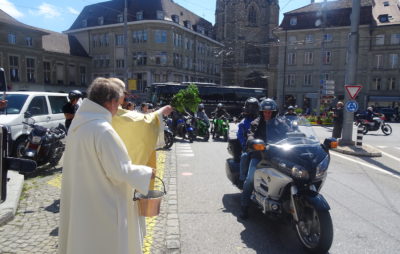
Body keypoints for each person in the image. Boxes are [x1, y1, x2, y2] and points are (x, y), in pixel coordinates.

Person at [58, 77, 156, 254]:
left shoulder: (78, 125)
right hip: (103, 206)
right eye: (118, 104)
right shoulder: (103, 130)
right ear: (111, 102)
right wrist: (148, 172)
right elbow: (120, 171)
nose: (118, 110)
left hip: (84, 200)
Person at [240, 98, 289, 220]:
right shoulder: (256, 123)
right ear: (261, 112)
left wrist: (301, 137)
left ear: (274, 112)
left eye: (270, 112)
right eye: (265, 112)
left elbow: (290, 132)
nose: (267, 114)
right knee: (250, 179)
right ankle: (244, 207)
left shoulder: (281, 123)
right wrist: (252, 140)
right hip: (260, 156)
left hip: (278, 155)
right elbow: (250, 134)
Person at [237, 97, 260, 189]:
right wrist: (245, 145)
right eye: (250, 107)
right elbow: (240, 136)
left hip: (260, 146)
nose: (251, 109)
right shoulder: (243, 122)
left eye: (253, 107)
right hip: (249, 147)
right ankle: (242, 179)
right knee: (245, 156)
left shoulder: (261, 120)